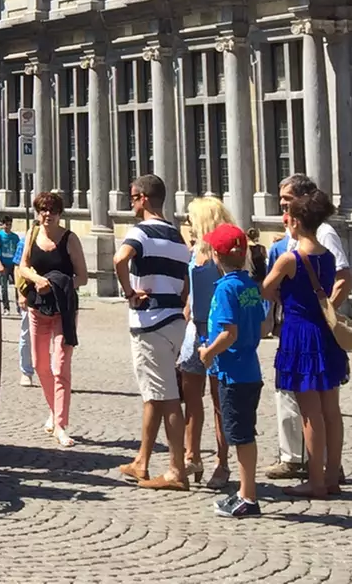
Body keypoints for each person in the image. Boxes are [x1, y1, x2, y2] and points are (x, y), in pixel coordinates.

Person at [263, 188, 349, 500]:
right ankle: (332, 475)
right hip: (325, 334)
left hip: (299, 334)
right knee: (331, 411)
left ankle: (315, 479)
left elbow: (265, 289)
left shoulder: (290, 258)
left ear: (297, 223)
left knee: (310, 412)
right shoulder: (326, 257)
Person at [112, 173, 192, 490]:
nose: (130, 203)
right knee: (155, 395)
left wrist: (129, 292)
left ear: (143, 198)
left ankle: (175, 470)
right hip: (175, 322)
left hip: (150, 322)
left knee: (168, 399)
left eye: (132, 197)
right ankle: (141, 461)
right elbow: (186, 280)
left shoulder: (141, 233)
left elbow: (120, 258)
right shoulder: (177, 236)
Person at [198, 222, 268, 518]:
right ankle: (244, 492)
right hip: (249, 368)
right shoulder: (249, 286)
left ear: (216, 255)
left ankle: (247, 495)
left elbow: (230, 333)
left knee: (239, 435)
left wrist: (207, 352)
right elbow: (264, 326)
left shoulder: (226, 289)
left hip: (233, 372)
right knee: (241, 433)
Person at [15, 191, 85, 447]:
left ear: (59, 214)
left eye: (52, 211)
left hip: (63, 310)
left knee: (60, 367)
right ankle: (54, 411)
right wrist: (36, 280)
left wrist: (57, 284)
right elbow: (23, 266)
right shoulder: (32, 235)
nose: (47, 215)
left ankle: (61, 425)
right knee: (39, 364)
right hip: (37, 307)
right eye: (43, 210)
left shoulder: (69, 239)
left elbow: (83, 277)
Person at [177, 195, 234, 489]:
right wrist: (184, 316)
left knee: (219, 401)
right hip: (194, 329)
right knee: (191, 398)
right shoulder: (194, 251)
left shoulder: (221, 254)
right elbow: (190, 292)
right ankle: (192, 455)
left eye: (190, 218)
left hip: (216, 329)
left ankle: (222, 462)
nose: (187, 224)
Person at [0, 217, 21, 314]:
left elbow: (18, 250)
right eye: (6, 224)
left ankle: (19, 306)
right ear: (3, 225)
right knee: (4, 287)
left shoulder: (15, 237)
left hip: (13, 264)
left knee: (18, 286)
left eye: (9, 224)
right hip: (3, 263)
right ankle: (6, 307)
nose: (8, 227)